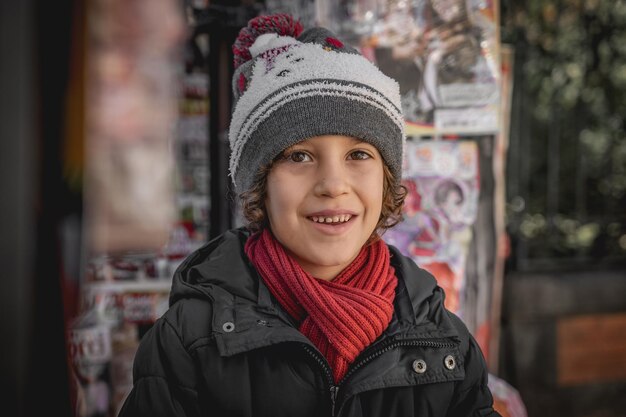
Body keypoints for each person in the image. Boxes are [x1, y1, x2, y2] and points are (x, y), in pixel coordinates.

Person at [117, 13, 501, 417]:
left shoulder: (445, 343)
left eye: (359, 155)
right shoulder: (189, 340)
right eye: (298, 156)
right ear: (261, 187)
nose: (333, 184)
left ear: (386, 181)